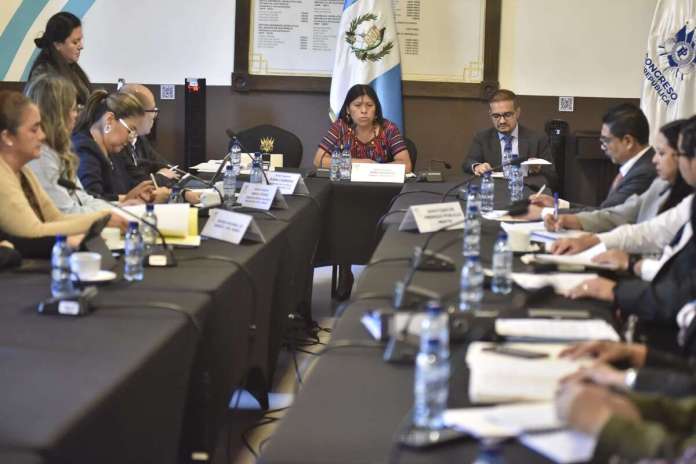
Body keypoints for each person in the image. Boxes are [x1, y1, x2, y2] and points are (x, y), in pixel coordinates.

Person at [563, 117, 696, 324]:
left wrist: (633, 266)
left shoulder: (648, 176)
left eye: (663, 153)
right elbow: (649, 230)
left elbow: (682, 283)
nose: (654, 159)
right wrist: (593, 240)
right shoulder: (678, 195)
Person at [545, 119, 691, 235]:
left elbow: (649, 234)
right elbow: (620, 214)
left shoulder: (646, 173)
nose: (654, 159)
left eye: (661, 153)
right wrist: (566, 218)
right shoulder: (659, 184)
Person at [0, 91, 108, 245]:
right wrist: (102, 219)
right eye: (34, 129)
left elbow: (55, 218)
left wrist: (106, 217)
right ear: (7, 137)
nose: (42, 135)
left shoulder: (24, 172)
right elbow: (34, 232)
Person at [24, 75, 128, 232]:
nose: (76, 115)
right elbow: (65, 212)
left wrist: (121, 208)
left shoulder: (59, 150)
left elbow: (84, 199)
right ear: (56, 112)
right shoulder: (41, 155)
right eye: (73, 109)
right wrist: (109, 214)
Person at [533, 103, 656, 210]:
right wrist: (557, 204)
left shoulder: (644, 173)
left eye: (606, 141)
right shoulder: (640, 166)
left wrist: (547, 212)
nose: (603, 147)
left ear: (628, 141)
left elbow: (607, 216)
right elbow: (605, 212)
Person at [462, 89, 558, 189]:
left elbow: (552, 176)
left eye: (507, 115)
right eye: (496, 116)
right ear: (490, 114)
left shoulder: (537, 138)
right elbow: (468, 162)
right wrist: (477, 166)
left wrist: (539, 169)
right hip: (494, 191)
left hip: (525, 191)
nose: (502, 121)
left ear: (517, 113)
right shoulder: (482, 137)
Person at [72, 90, 154, 202]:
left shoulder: (116, 151)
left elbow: (130, 184)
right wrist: (126, 199)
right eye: (131, 130)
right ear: (109, 120)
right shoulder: (84, 150)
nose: (131, 138)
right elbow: (91, 198)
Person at [313, 84, 412, 173]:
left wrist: (375, 169)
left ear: (376, 109)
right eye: (357, 105)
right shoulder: (340, 127)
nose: (364, 110)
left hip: (381, 186)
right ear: (348, 109)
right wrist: (362, 164)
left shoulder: (388, 128)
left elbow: (406, 165)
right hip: (347, 186)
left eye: (369, 105)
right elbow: (318, 160)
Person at [26, 12, 91, 107]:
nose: (81, 46)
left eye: (80, 40)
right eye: (75, 42)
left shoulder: (71, 68)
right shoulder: (44, 77)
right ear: (57, 44)